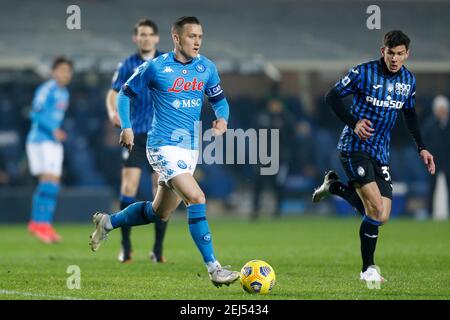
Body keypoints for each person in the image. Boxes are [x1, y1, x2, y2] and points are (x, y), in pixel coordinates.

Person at [90, 16, 240, 287]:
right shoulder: (155, 68)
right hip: (161, 147)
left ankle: (108, 222)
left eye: (200, 37)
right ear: (176, 38)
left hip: (189, 150)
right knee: (196, 197)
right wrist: (127, 127)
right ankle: (214, 268)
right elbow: (124, 94)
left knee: (160, 213)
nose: (197, 41)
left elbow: (220, 100)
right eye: (192, 36)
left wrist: (222, 119)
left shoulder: (206, 67)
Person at [312, 30, 435, 284]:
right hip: (354, 147)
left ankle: (334, 186)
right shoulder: (362, 72)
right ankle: (367, 268)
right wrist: (354, 122)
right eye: (391, 53)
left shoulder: (408, 80)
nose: (395, 59)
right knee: (376, 209)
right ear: (383, 51)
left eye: (400, 54)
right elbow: (331, 97)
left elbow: (410, 115)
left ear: (407, 54)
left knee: (382, 216)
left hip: (380, 152)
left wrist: (422, 147)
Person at [106, 18, 168, 263]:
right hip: (136, 134)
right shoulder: (127, 64)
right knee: (129, 187)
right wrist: (113, 113)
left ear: (156, 38)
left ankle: (158, 250)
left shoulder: (165, 62)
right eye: (141, 34)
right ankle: (126, 246)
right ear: (136, 38)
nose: (145, 38)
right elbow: (113, 93)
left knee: (160, 192)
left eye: (149, 34)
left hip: (161, 136)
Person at [26, 56, 73, 243]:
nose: (65, 74)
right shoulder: (47, 89)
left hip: (53, 142)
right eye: (61, 70)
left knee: (54, 183)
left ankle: (43, 224)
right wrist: (53, 130)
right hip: (40, 140)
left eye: (68, 71)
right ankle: (38, 224)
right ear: (54, 72)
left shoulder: (65, 93)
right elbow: (34, 113)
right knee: (48, 180)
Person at [423, 95, 450, 218]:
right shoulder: (429, 124)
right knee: (431, 187)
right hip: (434, 161)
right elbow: (423, 142)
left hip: (448, 160)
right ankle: (429, 212)